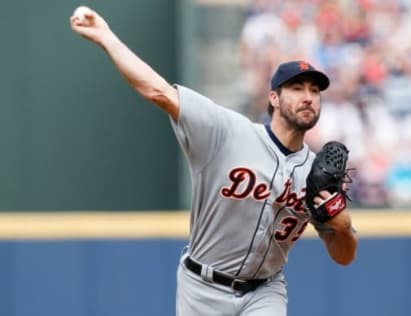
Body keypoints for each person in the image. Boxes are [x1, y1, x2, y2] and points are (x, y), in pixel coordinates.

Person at [70, 8, 357, 316]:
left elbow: (343, 257)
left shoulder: (316, 175)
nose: (308, 97)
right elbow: (158, 91)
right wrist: (106, 38)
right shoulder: (226, 132)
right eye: (297, 88)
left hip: (266, 290)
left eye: (315, 90)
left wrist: (343, 228)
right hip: (202, 287)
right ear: (273, 98)